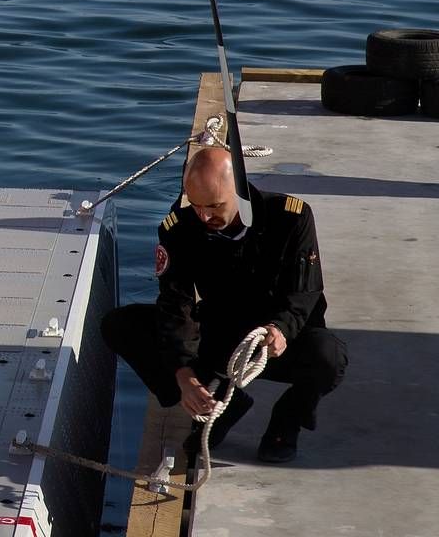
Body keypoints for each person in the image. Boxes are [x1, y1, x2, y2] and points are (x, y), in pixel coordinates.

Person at [102, 145, 347, 463]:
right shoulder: (179, 229)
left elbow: (305, 292)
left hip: (276, 340)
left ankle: (285, 423)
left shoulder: (291, 218)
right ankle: (219, 404)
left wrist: (281, 328)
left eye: (214, 206)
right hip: (222, 334)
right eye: (197, 205)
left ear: (240, 189)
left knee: (328, 356)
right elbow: (176, 304)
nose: (204, 216)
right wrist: (183, 372)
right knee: (121, 326)